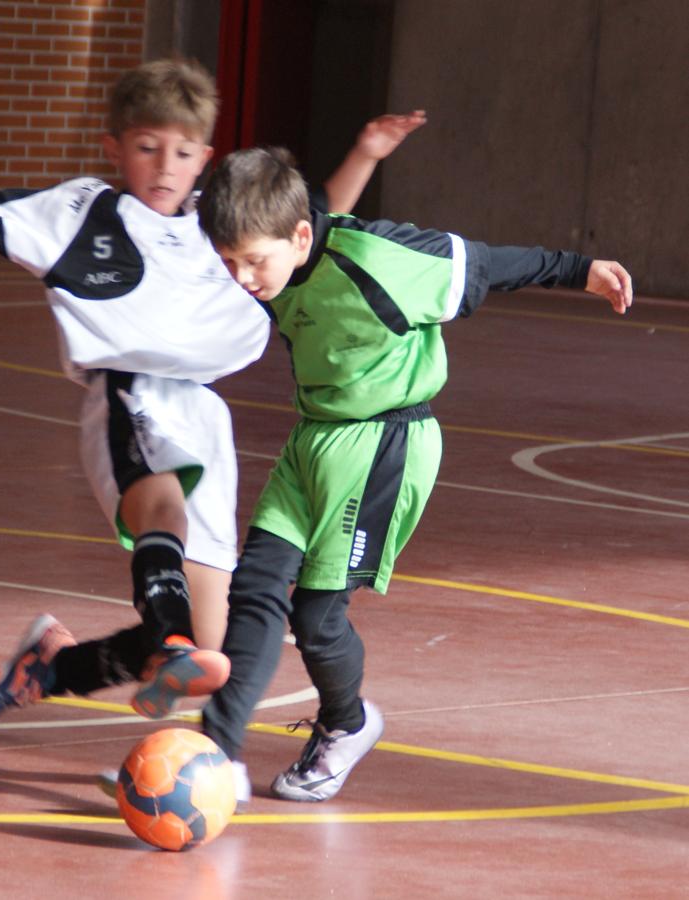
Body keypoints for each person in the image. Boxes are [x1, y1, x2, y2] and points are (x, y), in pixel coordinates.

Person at [0, 58, 425, 730]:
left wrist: (366, 152)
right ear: (116, 148)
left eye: (180, 152)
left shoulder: (221, 225)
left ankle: (53, 666)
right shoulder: (81, 214)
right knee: (162, 508)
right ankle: (166, 639)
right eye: (146, 148)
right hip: (129, 397)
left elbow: (311, 220)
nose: (163, 167)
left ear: (204, 156)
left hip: (202, 411)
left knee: (211, 645)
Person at [194, 145, 633, 802]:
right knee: (253, 585)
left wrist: (580, 269)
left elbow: (485, 263)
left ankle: (347, 725)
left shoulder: (381, 260)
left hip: (384, 442)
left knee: (316, 616)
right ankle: (215, 754)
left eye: (253, 261)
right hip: (314, 434)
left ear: (301, 236)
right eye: (229, 262)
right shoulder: (272, 255)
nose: (243, 278)